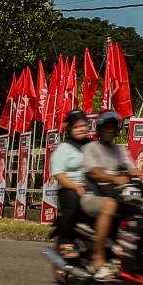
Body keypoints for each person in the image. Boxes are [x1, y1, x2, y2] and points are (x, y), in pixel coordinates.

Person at [81, 111, 136, 281]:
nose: (109, 130)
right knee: (110, 205)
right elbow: (94, 172)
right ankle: (98, 259)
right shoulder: (90, 148)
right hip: (92, 197)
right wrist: (114, 178)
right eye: (106, 126)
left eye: (112, 126)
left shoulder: (120, 150)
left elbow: (133, 170)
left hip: (114, 194)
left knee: (139, 207)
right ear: (98, 128)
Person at [50, 110, 90, 259]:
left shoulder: (93, 145)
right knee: (73, 200)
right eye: (76, 126)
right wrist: (76, 186)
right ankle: (66, 242)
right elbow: (59, 174)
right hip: (68, 188)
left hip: (91, 187)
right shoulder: (64, 149)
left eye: (83, 125)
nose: (81, 129)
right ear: (69, 129)